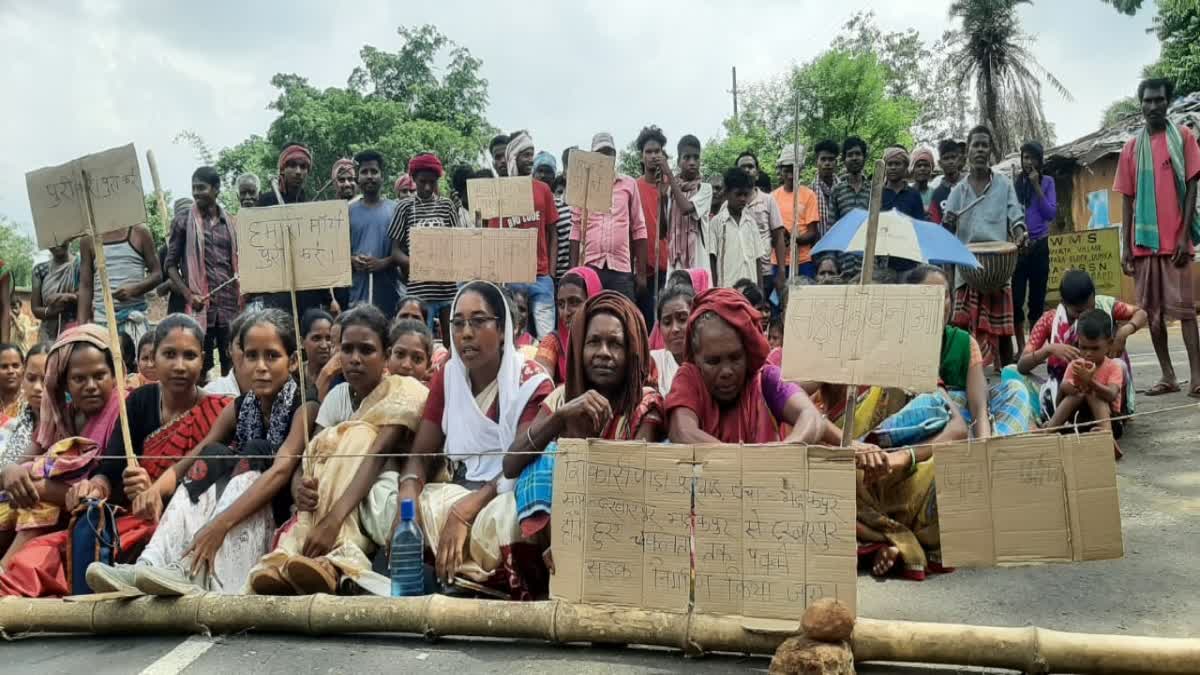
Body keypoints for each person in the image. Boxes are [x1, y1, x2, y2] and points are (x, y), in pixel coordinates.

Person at [85, 310, 316, 595]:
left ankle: (187, 569)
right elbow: (196, 455)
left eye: (272, 356)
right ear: (239, 359)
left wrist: (219, 525)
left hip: (274, 511)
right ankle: (150, 563)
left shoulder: (305, 406)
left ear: (292, 361)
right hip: (235, 505)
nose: (261, 367)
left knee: (256, 449)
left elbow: (281, 470)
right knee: (215, 453)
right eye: (252, 356)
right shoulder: (239, 407)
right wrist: (155, 491)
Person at [0, 319, 230, 598]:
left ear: (203, 360)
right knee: (36, 556)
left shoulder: (221, 410)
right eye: (169, 355)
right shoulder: (138, 402)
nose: (179, 366)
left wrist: (153, 488)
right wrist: (96, 487)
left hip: (180, 517)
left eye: (189, 356)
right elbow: (109, 471)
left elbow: (215, 469)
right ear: (153, 358)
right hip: (129, 515)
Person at [377, 282, 554, 600]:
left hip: (502, 494)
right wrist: (409, 499)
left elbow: (518, 464)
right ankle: (455, 575)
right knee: (391, 504)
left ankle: (466, 577)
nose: (466, 333)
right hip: (454, 489)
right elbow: (420, 455)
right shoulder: (449, 376)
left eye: (478, 321)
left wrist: (465, 511)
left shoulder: (532, 383)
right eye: (458, 323)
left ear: (502, 330)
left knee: (508, 522)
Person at [247, 306, 427, 596]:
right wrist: (299, 489)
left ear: (386, 355)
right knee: (329, 450)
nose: (354, 359)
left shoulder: (403, 389)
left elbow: (377, 453)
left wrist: (332, 523)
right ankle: (288, 559)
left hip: (376, 484)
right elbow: (311, 457)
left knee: (357, 434)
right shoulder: (336, 396)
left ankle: (339, 557)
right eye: (347, 349)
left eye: (366, 350)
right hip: (331, 492)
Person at [505, 292, 665, 546]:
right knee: (541, 463)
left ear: (632, 350)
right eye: (593, 342)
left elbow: (629, 483)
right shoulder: (562, 397)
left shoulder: (644, 404)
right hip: (558, 535)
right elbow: (510, 465)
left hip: (620, 531)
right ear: (579, 348)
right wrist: (560, 418)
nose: (603, 353)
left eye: (615, 344)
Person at [0, 326, 120, 568]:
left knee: (35, 507)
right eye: (79, 378)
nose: (91, 386)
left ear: (114, 375)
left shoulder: (123, 415)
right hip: (44, 510)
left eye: (100, 375)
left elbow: (107, 493)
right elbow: (18, 462)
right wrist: (10, 470)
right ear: (64, 383)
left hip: (92, 519)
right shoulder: (61, 416)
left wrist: (38, 487)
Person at [666, 288, 845, 445]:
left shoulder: (765, 378)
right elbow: (682, 432)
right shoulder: (688, 378)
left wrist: (786, 449)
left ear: (748, 353)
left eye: (735, 358)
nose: (726, 371)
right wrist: (747, 461)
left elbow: (810, 417)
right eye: (713, 362)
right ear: (696, 360)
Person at [1113, 77, 1200, 398]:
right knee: (1152, 314)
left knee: (1187, 312)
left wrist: (1182, 235)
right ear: (1141, 104)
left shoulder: (1184, 138)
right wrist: (1125, 247)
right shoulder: (1131, 148)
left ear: (1168, 102)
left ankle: (1197, 378)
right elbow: (1126, 197)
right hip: (1143, 245)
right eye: (1147, 101)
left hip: (1176, 242)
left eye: (1158, 100)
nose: (1153, 106)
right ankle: (1167, 375)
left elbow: (1192, 187)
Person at [906, 265, 1036, 439]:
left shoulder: (964, 342)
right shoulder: (901, 344)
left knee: (1015, 390)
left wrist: (984, 444)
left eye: (944, 295)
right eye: (930, 295)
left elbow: (979, 408)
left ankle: (994, 449)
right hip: (927, 426)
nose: (939, 304)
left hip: (966, 425)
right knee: (940, 400)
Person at [944, 125, 1028, 369]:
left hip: (997, 269)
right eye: (976, 145)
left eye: (985, 145)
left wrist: (1020, 234)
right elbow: (947, 229)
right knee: (962, 330)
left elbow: (1015, 216)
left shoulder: (1003, 184)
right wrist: (948, 223)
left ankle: (1005, 376)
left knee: (1003, 333)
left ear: (990, 150)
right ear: (967, 152)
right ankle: (964, 376)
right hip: (967, 271)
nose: (980, 150)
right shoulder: (958, 191)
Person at [1013, 268, 1147, 421]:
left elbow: (1141, 314)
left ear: (1094, 296)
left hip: (1105, 387)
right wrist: (1049, 349)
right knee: (1012, 374)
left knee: (1118, 365)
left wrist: (1124, 332)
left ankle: (1117, 415)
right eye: (1077, 312)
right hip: (1070, 389)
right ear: (1064, 303)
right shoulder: (1049, 320)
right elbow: (1022, 365)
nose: (1084, 315)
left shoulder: (1106, 306)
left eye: (1088, 308)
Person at [165, 166, 240, 378]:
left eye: (201, 188)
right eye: (193, 188)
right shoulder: (183, 222)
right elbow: (170, 265)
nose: (196, 193)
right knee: (199, 366)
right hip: (200, 307)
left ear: (216, 189)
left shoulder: (231, 224)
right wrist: (189, 295)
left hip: (229, 306)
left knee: (232, 365)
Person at [491, 131, 558, 339]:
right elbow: (492, 235)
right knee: (513, 335)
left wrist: (552, 272)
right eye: (525, 155)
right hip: (510, 275)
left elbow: (552, 232)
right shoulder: (499, 191)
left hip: (541, 274)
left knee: (546, 337)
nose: (530, 160)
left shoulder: (543, 190)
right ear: (514, 157)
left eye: (532, 154)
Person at [389, 153, 461, 348]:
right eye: (422, 182)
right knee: (420, 344)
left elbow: (459, 244)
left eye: (432, 182)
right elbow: (395, 251)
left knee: (452, 345)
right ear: (413, 180)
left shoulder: (446, 206)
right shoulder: (404, 207)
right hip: (418, 293)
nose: (428, 187)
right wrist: (416, 263)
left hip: (447, 290)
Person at [569, 132, 647, 301]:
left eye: (608, 154)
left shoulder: (628, 184)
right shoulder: (583, 187)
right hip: (590, 266)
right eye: (600, 154)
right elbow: (575, 229)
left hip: (621, 269)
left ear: (614, 156)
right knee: (590, 317)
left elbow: (639, 228)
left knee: (624, 317)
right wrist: (573, 271)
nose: (604, 159)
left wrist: (641, 273)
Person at [1043, 309, 1124, 439]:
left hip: (1110, 419)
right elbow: (1061, 399)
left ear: (1109, 344)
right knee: (1077, 395)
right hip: (1079, 420)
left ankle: (1106, 434)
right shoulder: (1075, 365)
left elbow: (1111, 395)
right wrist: (1067, 388)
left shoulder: (1114, 366)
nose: (1088, 353)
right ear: (1078, 343)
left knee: (1094, 394)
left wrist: (1090, 382)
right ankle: (1049, 430)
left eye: (1095, 348)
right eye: (1083, 347)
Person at [77, 221, 160, 343]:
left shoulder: (139, 232)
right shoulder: (88, 239)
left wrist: (135, 289)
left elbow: (157, 274)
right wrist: (81, 329)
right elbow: (85, 286)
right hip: (103, 321)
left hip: (135, 319)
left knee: (139, 360)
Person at [1012, 141, 1058, 353]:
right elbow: (1011, 214)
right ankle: (1021, 345)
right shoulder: (1016, 183)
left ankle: (1035, 345)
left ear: (1040, 161)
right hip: (1020, 247)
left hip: (1040, 245)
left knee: (1037, 299)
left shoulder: (1047, 182)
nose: (1028, 162)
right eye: (1025, 157)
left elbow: (1050, 213)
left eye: (1032, 158)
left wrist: (1037, 186)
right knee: (1016, 298)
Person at [348, 150, 401, 316]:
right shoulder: (347, 212)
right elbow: (337, 255)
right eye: (364, 172)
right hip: (356, 297)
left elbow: (403, 253)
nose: (369, 176)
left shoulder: (396, 210)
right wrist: (352, 260)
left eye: (374, 171)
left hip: (389, 296)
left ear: (382, 177)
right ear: (357, 178)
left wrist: (382, 263)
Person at [535, 267, 603, 384]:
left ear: (593, 302)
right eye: (561, 304)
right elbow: (538, 384)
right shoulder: (553, 342)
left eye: (575, 302)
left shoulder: (608, 341)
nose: (566, 312)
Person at [660, 135, 713, 278]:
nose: (692, 162)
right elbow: (662, 230)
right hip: (675, 261)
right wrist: (662, 198)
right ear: (678, 161)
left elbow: (686, 208)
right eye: (687, 157)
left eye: (696, 158)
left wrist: (669, 175)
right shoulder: (671, 191)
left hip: (698, 260)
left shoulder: (705, 188)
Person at [634, 126, 671, 329]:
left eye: (657, 151)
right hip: (643, 268)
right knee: (647, 323)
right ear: (641, 156)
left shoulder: (670, 184)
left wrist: (665, 194)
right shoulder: (634, 186)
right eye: (648, 152)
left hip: (666, 264)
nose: (653, 156)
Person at [735, 152, 785, 300]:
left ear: (757, 173)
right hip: (740, 271)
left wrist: (781, 271)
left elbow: (778, 237)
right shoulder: (730, 204)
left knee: (764, 314)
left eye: (751, 167)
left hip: (765, 271)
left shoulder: (768, 200)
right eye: (743, 167)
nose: (747, 170)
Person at [772, 145, 821, 282]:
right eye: (786, 171)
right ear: (781, 171)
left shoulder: (809, 195)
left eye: (794, 171)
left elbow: (812, 233)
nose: (790, 175)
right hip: (777, 261)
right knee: (779, 301)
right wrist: (780, 238)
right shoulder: (773, 197)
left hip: (803, 261)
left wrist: (793, 238)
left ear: (800, 171)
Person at [711, 168, 767, 289]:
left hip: (751, 291)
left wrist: (761, 292)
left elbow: (758, 259)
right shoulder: (717, 223)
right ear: (726, 194)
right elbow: (712, 259)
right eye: (738, 194)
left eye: (745, 194)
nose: (742, 199)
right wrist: (715, 291)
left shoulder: (751, 223)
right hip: (727, 290)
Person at [831, 137, 873, 280]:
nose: (854, 158)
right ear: (844, 160)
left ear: (864, 157)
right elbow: (832, 227)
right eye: (850, 155)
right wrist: (833, 260)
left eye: (858, 154)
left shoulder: (874, 189)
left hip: (869, 259)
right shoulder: (837, 190)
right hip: (844, 261)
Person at [650, 285, 695, 397]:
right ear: (659, 329)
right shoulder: (652, 362)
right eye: (667, 322)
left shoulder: (710, 363)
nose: (675, 328)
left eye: (682, 319)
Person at [31, 244, 78, 343]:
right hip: (48, 335)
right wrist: (51, 311)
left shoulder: (80, 265)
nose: (57, 244)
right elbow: (35, 309)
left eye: (61, 238)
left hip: (76, 331)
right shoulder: (39, 270)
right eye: (52, 241)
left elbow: (89, 296)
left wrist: (68, 297)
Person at [203, 311, 252, 398]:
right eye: (241, 345)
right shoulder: (213, 392)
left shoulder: (279, 395)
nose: (249, 352)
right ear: (229, 348)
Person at [881, 146, 926, 221]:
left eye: (897, 164)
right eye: (889, 164)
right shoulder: (877, 193)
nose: (893, 167)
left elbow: (919, 223)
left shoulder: (914, 195)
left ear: (905, 167)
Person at [927, 139, 966, 224]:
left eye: (953, 157)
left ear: (959, 159)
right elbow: (936, 225)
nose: (950, 162)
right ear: (940, 163)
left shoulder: (970, 184)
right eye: (946, 158)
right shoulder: (937, 194)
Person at [810, 140, 841, 239]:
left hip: (841, 246)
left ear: (836, 162)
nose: (827, 163)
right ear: (817, 162)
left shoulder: (844, 188)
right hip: (817, 247)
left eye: (831, 159)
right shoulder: (809, 192)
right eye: (823, 159)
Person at [387, 319, 433, 383]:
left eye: (417, 358)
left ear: (428, 365)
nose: (406, 365)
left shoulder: (432, 392)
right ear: (388, 356)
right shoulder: (373, 390)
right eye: (400, 354)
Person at [910, 146, 937, 214]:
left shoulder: (936, 194)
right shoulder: (905, 193)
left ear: (931, 170)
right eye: (919, 166)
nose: (922, 168)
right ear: (913, 170)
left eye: (926, 165)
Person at [0, 344, 21, 422]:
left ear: (23, 368)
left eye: (15, 366)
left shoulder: (31, 404)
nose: (11, 371)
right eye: (4, 366)